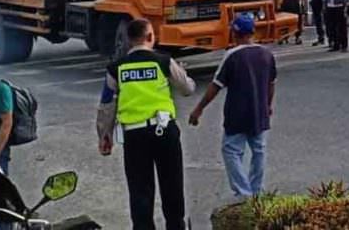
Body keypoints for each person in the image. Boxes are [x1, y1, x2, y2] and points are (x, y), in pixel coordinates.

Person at [97, 19, 195, 230]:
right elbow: (187, 89)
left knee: (140, 192)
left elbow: (106, 104)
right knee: (172, 188)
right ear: (150, 37)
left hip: (134, 136)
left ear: (130, 41)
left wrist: (104, 135)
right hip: (164, 132)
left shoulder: (116, 68)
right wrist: (182, 73)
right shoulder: (163, 61)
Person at [189, 15, 276, 200]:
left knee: (231, 151)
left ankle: (243, 193)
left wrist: (199, 108)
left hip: (237, 114)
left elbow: (215, 86)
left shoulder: (232, 56)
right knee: (259, 150)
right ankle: (256, 191)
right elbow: (271, 84)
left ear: (234, 33)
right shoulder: (266, 54)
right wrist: (268, 105)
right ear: (253, 31)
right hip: (259, 112)